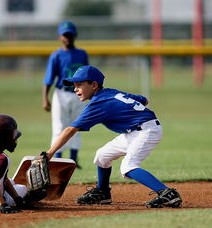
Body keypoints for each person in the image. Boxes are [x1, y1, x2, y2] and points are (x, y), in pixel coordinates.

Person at [45, 65, 182, 208]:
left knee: (128, 167)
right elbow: (143, 100)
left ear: (94, 85)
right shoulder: (110, 93)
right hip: (134, 131)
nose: (75, 89)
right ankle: (102, 193)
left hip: (146, 130)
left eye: (79, 85)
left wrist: (49, 153)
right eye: (74, 85)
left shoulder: (98, 103)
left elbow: (70, 130)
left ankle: (167, 193)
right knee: (102, 156)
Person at [42, 21, 89, 169]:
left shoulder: (82, 54)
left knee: (77, 125)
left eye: (70, 34)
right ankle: (57, 160)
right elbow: (49, 78)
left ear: (75, 35)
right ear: (60, 37)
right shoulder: (56, 55)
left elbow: (87, 75)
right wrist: (45, 98)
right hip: (61, 93)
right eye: (65, 35)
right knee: (59, 127)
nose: (67, 37)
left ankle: (73, 160)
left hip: (79, 94)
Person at [0, 114, 28, 214]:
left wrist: (17, 198)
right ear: (4, 139)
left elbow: (1, 177)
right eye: (13, 137)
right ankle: (26, 197)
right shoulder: (1, 159)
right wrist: (3, 205)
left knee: (10, 181)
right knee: (23, 188)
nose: (15, 140)